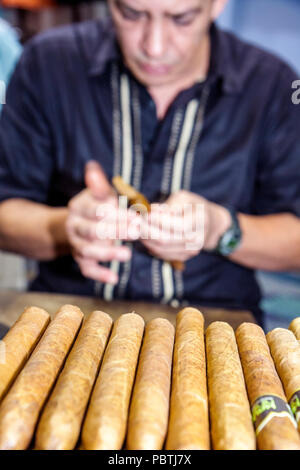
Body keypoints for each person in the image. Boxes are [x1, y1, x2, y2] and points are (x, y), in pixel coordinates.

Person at [0, 0, 299, 327]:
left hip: (214, 328)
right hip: (64, 318)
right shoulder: (48, 63)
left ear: (218, 4)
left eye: (181, 19)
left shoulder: (272, 85)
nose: (153, 47)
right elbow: (6, 211)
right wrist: (65, 228)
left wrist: (220, 229)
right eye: (131, 14)